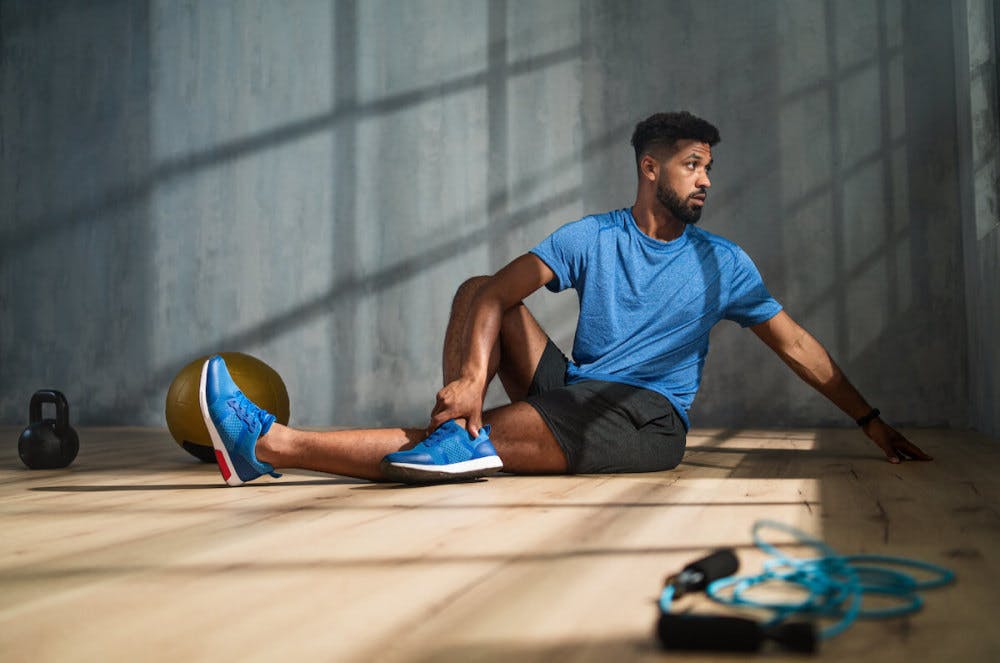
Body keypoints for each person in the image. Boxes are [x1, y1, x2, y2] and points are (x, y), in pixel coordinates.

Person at [200, 111, 932, 487]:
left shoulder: (723, 264)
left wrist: (868, 419)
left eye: (709, 166)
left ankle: (270, 444)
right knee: (475, 289)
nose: (706, 179)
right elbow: (493, 295)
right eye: (691, 164)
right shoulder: (594, 236)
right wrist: (466, 380)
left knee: (486, 436)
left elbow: (799, 344)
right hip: (580, 391)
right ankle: (464, 430)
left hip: (645, 418)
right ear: (651, 170)